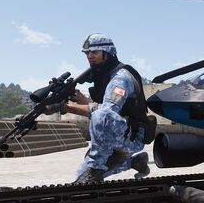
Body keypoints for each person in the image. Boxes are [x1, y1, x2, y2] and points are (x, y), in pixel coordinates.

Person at [45, 33, 154, 184]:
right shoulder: (104, 74)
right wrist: (83, 101)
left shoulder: (120, 78)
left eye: (94, 52)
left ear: (107, 53)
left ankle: (95, 170)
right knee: (79, 181)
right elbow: (105, 108)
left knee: (102, 116)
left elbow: (107, 113)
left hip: (131, 136)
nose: (89, 56)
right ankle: (135, 162)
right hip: (117, 133)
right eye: (87, 53)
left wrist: (66, 107)